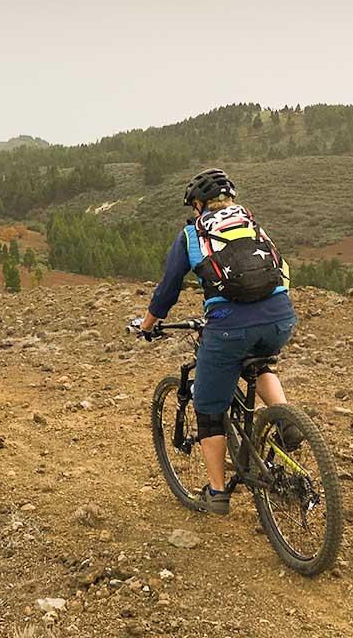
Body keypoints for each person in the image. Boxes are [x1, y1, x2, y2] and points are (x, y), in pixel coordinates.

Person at [130, 168, 297, 515]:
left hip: (229, 328)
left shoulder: (192, 233)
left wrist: (147, 325)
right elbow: (281, 270)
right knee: (260, 362)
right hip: (280, 319)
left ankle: (217, 493)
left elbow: (168, 289)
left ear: (198, 205)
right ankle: (287, 421)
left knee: (208, 410)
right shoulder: (252, 225)